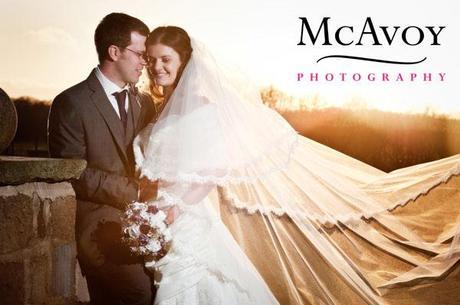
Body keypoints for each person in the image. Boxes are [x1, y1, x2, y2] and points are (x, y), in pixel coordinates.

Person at [136, 25, 460, 305]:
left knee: (191, 283)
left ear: (186, 61)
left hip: (190, 217)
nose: (156, 67)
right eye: (151, 60)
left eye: (166, 59)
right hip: (159, 216)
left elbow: (210, 173)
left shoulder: (207, 111)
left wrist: (174, 210)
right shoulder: (161, 110)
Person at [48, 13, 159, 305]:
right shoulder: (71, 103)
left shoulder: (144, 102)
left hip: (148, 222)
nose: (144, 63)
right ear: (114, 52)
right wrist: (134, 191)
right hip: (99, 226)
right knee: (141, 293)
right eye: (139, 55)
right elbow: (75, 173)